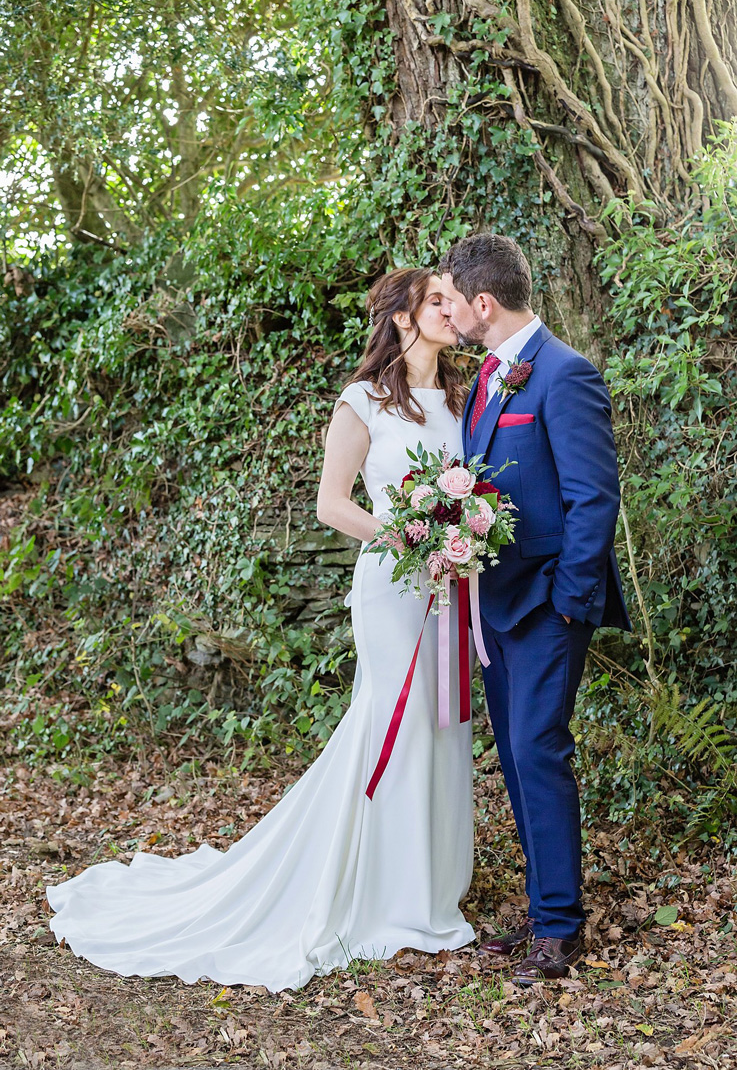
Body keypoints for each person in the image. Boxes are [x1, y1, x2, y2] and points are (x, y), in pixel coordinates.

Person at [46, 267, 477, 992]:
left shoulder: (459, 401)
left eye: (449, 300)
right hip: (391, 584)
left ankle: (430, 889)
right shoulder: (361, 400)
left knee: (441, 723)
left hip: (445, 587)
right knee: (391, 724)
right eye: (434, 299)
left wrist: (460, 535)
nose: (448, 308)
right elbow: (329, 505)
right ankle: (380, 893)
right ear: (401, 319)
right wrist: (406, 538)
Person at [440, 233, 631, 987]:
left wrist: (565, 603)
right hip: (495, 605)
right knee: (517, 760)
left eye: (452, 300)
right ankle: (541, 903)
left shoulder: (565, 374)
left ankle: (559, 927)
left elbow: (594, 498)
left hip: (548, 606)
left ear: (482, 302)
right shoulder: (488, 378)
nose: (447, 313)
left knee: (538, 751)